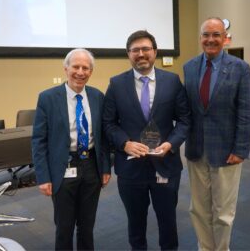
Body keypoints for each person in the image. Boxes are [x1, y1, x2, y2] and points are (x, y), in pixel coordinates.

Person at [103, 30, 190, 250]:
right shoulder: (116, 84)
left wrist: (171, 144)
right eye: (135, 50)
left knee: (168, 221)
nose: (141, 54)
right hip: (131, 169)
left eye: (145, 49)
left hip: (166, 165)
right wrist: (125, 144)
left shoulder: (172, 81)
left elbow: (184, 120)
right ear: (128, 54)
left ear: (155, 52)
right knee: (136, 223)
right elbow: (108, 124)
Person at [183, 17, 250, 251]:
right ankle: (205, 248)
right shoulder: (190, 67)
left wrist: (240, 149)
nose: (210, 39)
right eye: (206, 34)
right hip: (195, 150)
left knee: (223, 213)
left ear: (225, 38)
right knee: (199, 209)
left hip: (227, 151)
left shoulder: (240, 68)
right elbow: (188, 109)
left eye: (216, 35)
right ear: (200, 38)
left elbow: (245, 112)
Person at [32, 48, 111, 250]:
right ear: (66, 68)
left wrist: (105, 168)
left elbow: (103, 137)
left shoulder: (97, 97)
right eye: (76, 66)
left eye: (86, 68)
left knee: (87, 226)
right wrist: (43, 176)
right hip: (62, 167)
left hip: (91, 166)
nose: (80, 72)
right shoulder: (48, 98)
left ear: (91, 72)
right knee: (64, 226)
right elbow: (39, 141)